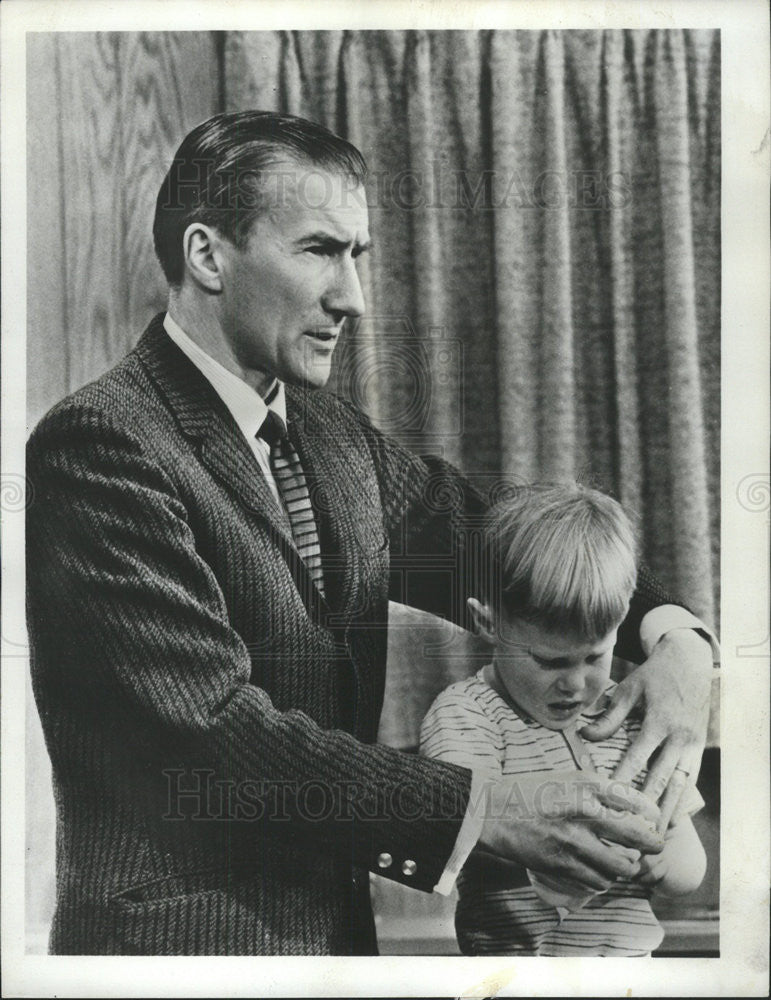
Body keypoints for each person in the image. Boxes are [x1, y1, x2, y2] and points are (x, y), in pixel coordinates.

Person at [26, 110, 715, 956]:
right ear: (208, 255)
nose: (353, 296)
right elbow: (205, 728)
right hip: (182, 954)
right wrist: (484, 807)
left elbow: (502, 541)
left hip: (334, 949)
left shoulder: (331, 434)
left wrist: (676, 639)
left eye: (357, 256)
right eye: (319, 249)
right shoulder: (100, 443)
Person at [420, 483, 708, 956]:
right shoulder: (466, 714)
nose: (576, 684)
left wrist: (665, 857)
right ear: (487, 623)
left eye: (596, 656)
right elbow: (456, 824)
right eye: (550, 662)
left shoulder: (632, 715)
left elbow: (686, 870)